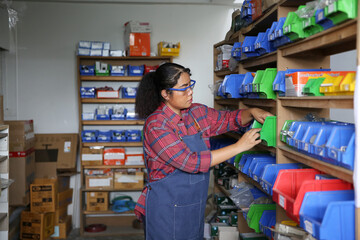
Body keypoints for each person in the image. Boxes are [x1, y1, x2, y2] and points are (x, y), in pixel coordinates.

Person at [134, 62, 272, 240]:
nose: (190, 91)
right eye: (183, 88)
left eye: (190, 85)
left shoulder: (197, 112)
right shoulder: (156, 125)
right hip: (166, 209)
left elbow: (228, 119)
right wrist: (239, 146)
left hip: (192, 206)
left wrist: (252, 112)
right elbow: (191, 162)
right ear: (165, 94)